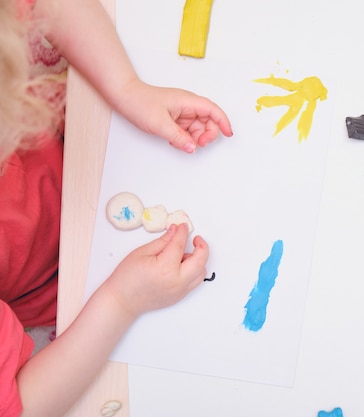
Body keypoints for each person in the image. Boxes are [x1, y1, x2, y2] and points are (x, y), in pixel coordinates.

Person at [0, 0, 233, 415]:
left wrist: (128, 89)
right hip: (58, 294)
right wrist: (122, 301)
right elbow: (24, 404)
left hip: (72, 155)